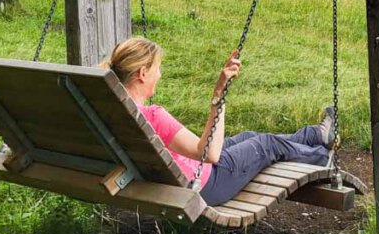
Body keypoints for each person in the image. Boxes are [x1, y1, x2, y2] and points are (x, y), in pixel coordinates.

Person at [102, 37, 334, 207]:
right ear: (142, 73)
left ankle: (316, 135)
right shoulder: (152, 116)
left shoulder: (112, 112)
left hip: (171, 179)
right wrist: (219, 94)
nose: (160, 74)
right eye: (157, 68)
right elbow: (209, 154)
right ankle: (324, 157)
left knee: (248, 137)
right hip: (205, 185)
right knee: (266, 144)